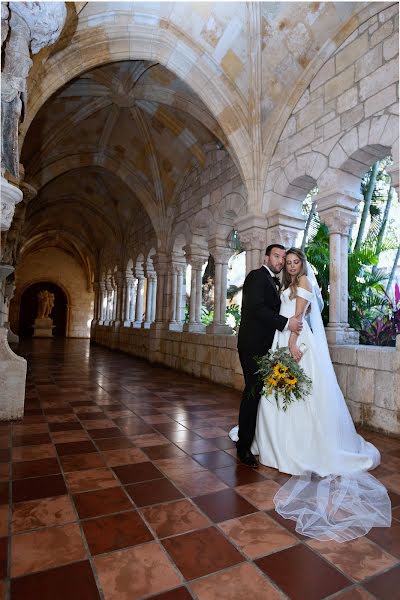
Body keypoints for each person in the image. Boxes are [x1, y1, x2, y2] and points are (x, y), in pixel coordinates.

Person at [232, 248, 391, 542]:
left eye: (291, 261)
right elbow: (259, 310)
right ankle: (251, 443)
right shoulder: (261, 278)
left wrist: (291, 338)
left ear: (300, 264)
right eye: (282, 259)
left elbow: (299, 316)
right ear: (269, 259)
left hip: (293, 341)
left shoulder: (301, 283)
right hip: (266, 342)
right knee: (261, 394)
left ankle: (277, 442)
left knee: (280, 393)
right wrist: (287, 330)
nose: (286, 264)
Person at [236, 244, 303, 467]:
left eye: (284, 258)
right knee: (252, 392)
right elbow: (257, 309)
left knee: (260, 395)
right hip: (252, 346)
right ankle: (243, 447)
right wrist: (286, 323)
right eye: (277, 256)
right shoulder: (257, 276)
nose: (281, 261)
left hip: (267, 347)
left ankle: (258, 439)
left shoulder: (276, 282)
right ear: (266, 257)